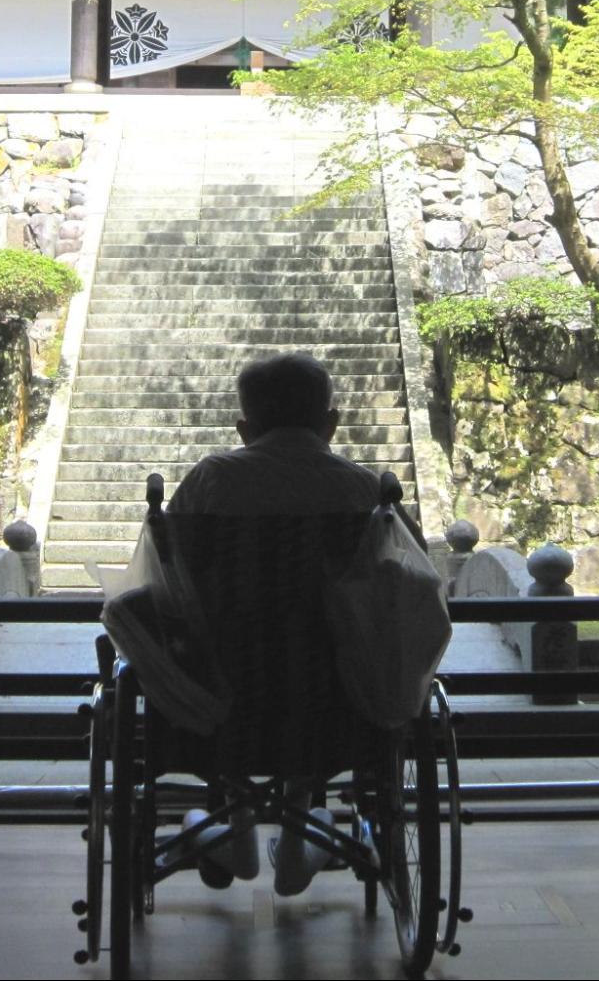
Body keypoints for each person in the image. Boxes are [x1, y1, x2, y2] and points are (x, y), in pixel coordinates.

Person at [165, 351, 381, 896]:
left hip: (222, 693)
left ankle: (234, 831)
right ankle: (300, 831)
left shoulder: (210, 482)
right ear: (332, 423)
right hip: (335, 697)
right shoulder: (362, 490)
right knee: (320, 651)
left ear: (243, 429)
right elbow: (402, 594)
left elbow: (166, 582)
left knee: (228, 650)